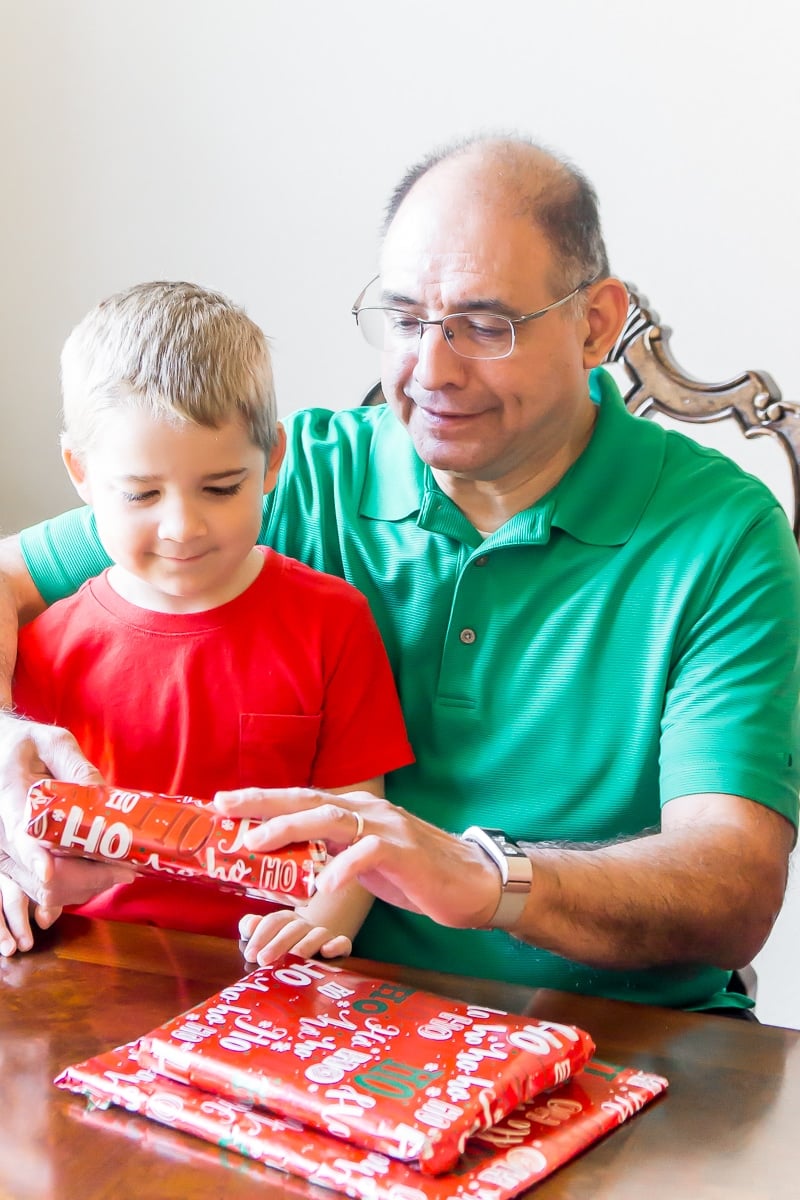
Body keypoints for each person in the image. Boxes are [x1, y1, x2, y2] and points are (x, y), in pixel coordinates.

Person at [0, 137, 798, 1014]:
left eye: (486, 325)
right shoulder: (283, 478)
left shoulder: (724, 534)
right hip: (322, 1016)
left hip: (627, 1033)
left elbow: (734, 887)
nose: (432, 370)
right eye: (408, 318)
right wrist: (6, 755)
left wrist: (491, 879)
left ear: (597, 325)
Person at [1, 280, 414, 963]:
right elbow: (25, 824)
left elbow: (358, 818)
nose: (182, 527)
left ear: (273, 460)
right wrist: (17, 879)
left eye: (221, 488)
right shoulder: (41, 645)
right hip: (89, 967)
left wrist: (320, 922)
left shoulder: (333, 623)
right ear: (80, 472)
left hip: (269, 973)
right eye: (140, 494)